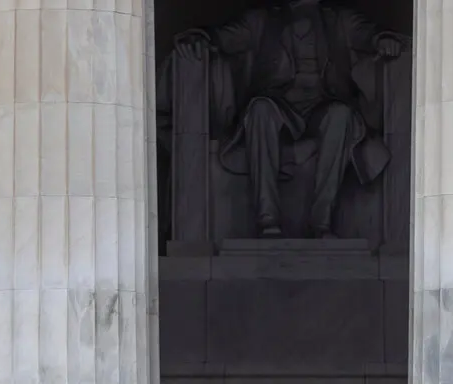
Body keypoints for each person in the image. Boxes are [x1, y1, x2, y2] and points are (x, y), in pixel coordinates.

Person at [172, 0, 405, 238]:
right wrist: (199, 37)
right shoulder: (261, 21)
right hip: (277, 104)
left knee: (341, 115)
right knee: (259, 109)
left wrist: (383, 40)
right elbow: (222, 37)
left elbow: (369, 34)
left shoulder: (339, 21)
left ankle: (321, 222)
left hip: (323, 104)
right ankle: (267, 219)